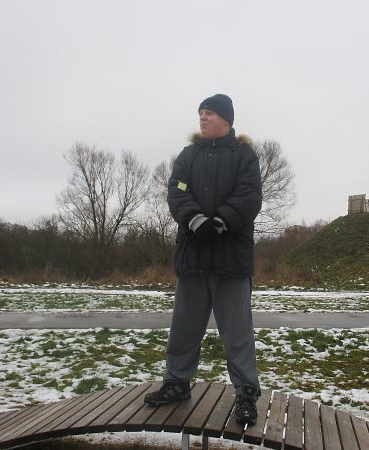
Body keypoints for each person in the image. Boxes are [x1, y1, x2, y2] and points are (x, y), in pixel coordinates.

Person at [144, 94, 263, 426]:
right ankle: (176, 383)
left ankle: (246, 393)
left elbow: (249, 195)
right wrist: (196, 220)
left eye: (209, 113)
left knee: (237, 334)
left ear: (226, 119)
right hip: (193, 257)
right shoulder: (188, 156)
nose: (203, 118)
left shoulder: (244, 156)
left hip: (231, 260)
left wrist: (221, 221)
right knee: (184, 328)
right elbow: (177, 191)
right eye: (200, 113)